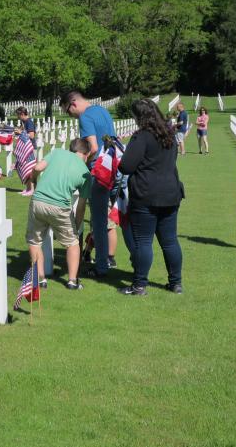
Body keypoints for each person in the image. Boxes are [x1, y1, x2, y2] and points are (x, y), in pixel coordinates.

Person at [118, 99, 185, 296]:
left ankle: (139, 285)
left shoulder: (142, 136)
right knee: (170, 241)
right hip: (171, 192)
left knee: (143, 241)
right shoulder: (169, 134)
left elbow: (126, 166)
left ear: (139, 117)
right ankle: (176, 283)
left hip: (146, 194)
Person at [62, 89, 116, 278]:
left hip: (98, 172)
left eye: (68, 111)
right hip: (113, 168)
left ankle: (101, 267)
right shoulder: (103, 111)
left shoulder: (85, 118)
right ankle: (116, 260)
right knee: (113, 220)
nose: (71, 116)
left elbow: (92, 147)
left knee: (99, 222)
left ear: (74, 103)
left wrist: (79, 164)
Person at [26, 138, 92, 290]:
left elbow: (37, 167)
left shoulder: (56, 153)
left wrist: (34, 180)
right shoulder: (86, 174)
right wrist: (76, 224)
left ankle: (41, 279)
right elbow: (81, 206)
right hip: (60, 207)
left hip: (38, 202)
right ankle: (72, 281)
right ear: (86, 154)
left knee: (35, 241)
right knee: (72, 243)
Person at [15, 106, 37, 196]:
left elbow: (32, 135)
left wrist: (21, 133)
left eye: (18, 115)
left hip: (30, 148)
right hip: (25, 148)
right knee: (25, 169)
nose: (17, 117)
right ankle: (28, 189)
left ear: (22, 114)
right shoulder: (23, 122)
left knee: (31, 170)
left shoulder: (29, 122)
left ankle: (32, 189)